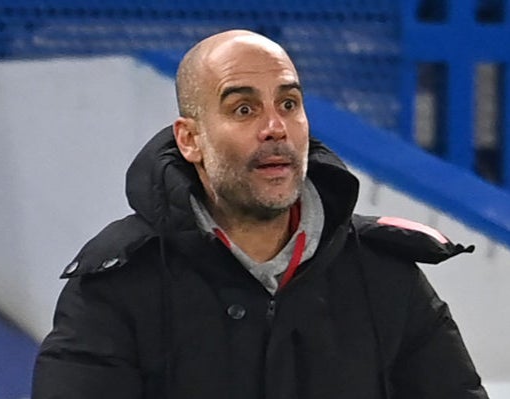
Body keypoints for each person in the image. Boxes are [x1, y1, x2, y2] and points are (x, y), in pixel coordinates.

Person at [32, 30, 489, 399]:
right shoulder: (116, 286)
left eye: (288, 104)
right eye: (244, 109)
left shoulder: (384, 274)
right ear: (190, 140)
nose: (275, 128)